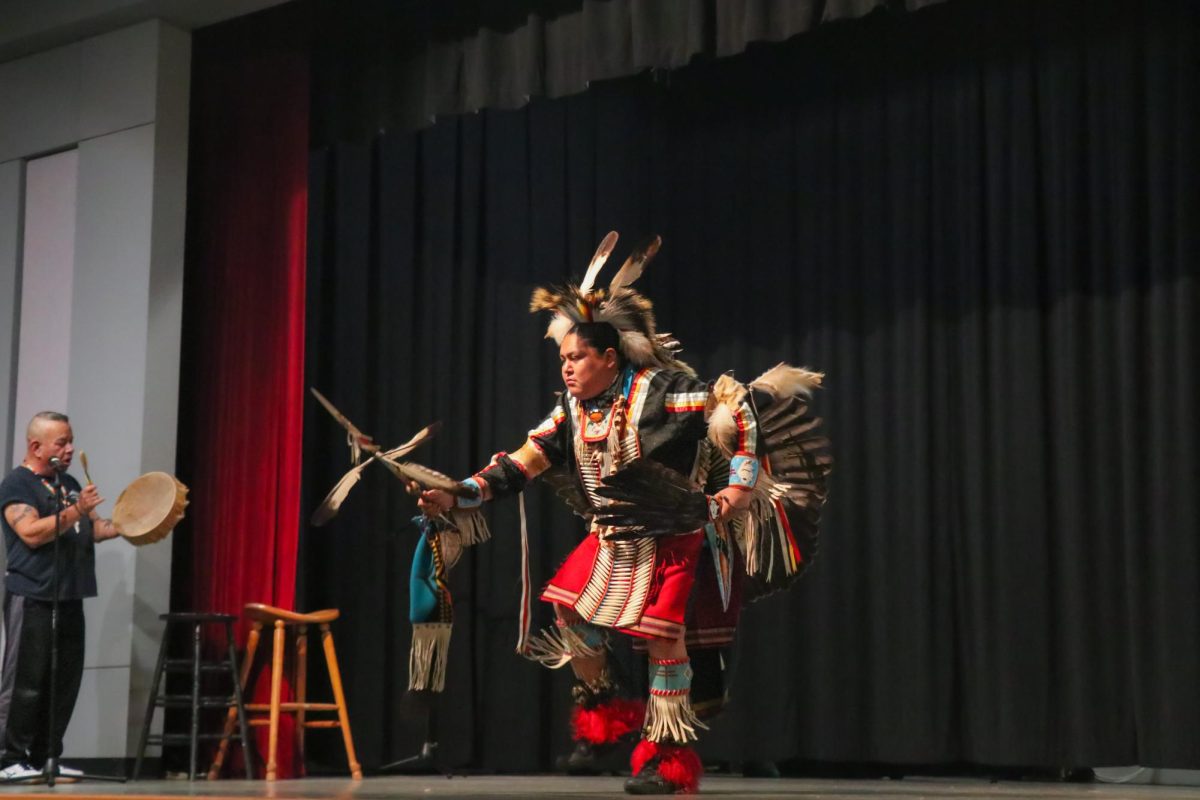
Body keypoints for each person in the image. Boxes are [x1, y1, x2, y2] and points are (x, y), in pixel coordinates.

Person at [420, 233, 830, 794]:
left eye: (576, 358)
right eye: (562, 359)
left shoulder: (665, 394)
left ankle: (669, 760)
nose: (566, 368)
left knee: (665, 643)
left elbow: (737, 405)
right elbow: (519, 464)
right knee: (568, 613)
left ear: (608, 358)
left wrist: (736, 492)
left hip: (672, 535)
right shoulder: (570, 410)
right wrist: (455, 493)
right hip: (611, 537)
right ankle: (604, 709)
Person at [0, 412, 121, 782]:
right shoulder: (17, 484)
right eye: (61, 443)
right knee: (26, 681)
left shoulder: (67, 483)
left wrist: (136, 522)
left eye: (70, 441)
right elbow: (32, 533)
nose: (70, 449)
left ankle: (45, 757)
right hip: (32, 594)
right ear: (36, 446)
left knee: (63, 681)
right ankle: (8, 760)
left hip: (70, 595)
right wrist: (77, 509)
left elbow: (93, 529)